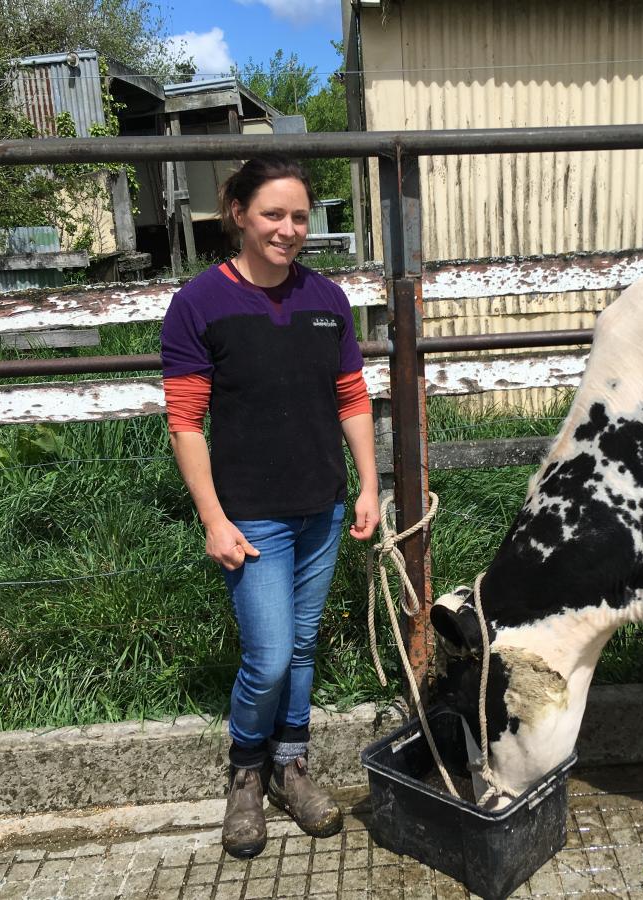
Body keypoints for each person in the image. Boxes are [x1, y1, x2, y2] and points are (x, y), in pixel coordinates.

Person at [160, 155, 379, 859]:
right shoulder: (200, 303)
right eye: (273, 214)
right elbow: (185, 420)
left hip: (323, 506)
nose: (288, 229)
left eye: (299, 216)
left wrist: (368, 485)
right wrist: (213, 519)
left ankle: (291, 766)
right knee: (271, 654)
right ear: (239, 214)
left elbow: (351, 396)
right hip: (251, 515)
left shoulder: (327, 299)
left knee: (302, 646)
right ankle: (246, 772)